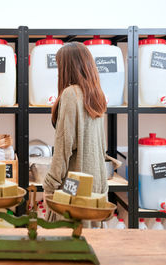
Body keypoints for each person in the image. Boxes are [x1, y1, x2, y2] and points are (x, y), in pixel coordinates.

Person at [42, 42, 108, 222]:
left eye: (59, 66)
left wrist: (49, 186)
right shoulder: (95, 94)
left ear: (67, 68)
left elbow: (64, 147)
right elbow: (102, 147)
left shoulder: (71, 94)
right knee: (87, 242)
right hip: (96, 182)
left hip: (74, 184)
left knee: (66, 239)